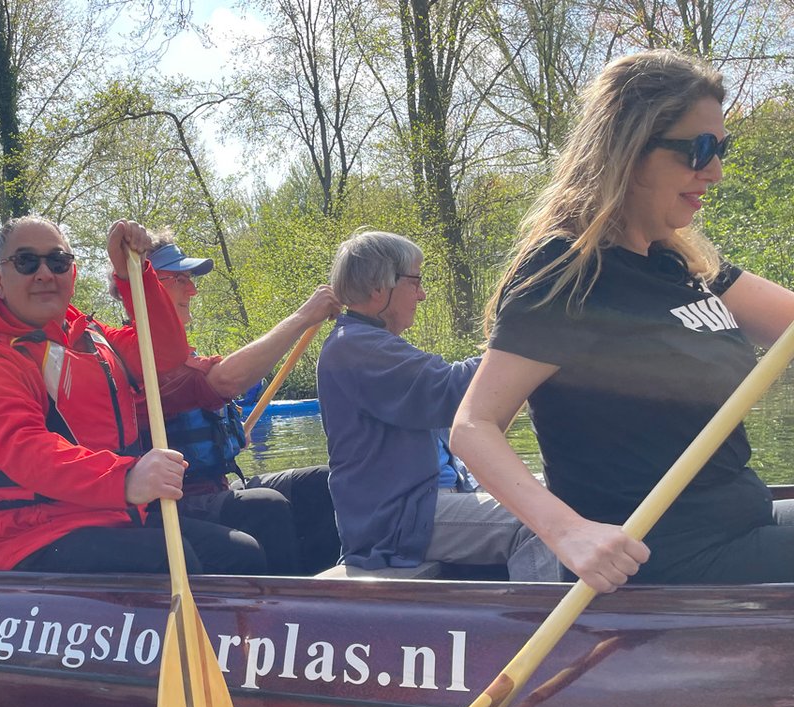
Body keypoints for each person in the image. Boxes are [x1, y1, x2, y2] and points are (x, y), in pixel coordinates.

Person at [452, 49, 794, 591]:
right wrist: (568, 533)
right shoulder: (567, 271)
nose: (716, 171)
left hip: (746, 521)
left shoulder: (680, 261)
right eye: (699, 149)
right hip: (667, 560)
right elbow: (473, 427)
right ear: (629, 150)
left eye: (721, 148)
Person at [0, 216, 264, 574]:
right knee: (170, 562)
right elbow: (25, 451)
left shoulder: (91, 336)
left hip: (114, 516)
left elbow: (167, 351)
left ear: (73, 273)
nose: (44, 273)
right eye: (26, 262)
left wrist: (135, 274)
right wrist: (127, 478)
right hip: (31, 538)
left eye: (57, 262)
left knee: (244, 552)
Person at [316, 230, 558, 579]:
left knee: (565, 492)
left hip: (424, 503)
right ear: (377, 287)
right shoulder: (355, 348)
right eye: (415, 282)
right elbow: (451, 390)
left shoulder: (370, 343)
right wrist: (530, 344)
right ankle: (545, 630)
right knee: (542, 523)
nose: (423, 294)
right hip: (399, 519)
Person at [127, 237, 342, 574]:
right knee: (265, 508)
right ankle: (288, 613)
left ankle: (329, 593)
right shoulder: (137, 357)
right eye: (179, 280)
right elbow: (224, 381)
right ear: (145, 290)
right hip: (173, 505)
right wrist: (303, 316)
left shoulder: (184, 352)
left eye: (191, 280)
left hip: (216, 486)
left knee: (322, 482)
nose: (192, 291)